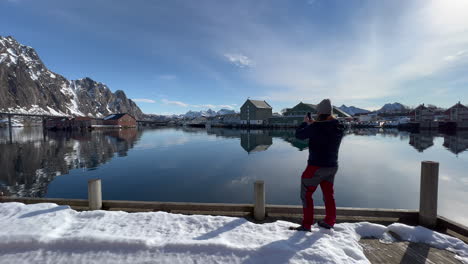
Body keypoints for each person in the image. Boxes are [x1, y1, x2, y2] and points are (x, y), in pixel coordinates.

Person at [292, 99, 344, 231]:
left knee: (306, 194)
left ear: (319, 113)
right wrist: (313, 124)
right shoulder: (338, 125)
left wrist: (305, 123)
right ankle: (330, 221)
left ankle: (306, 224)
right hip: (332, 167)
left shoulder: (316, 127)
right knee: (328, 194)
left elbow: (299, 135)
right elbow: (326, 128)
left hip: (315, 167)